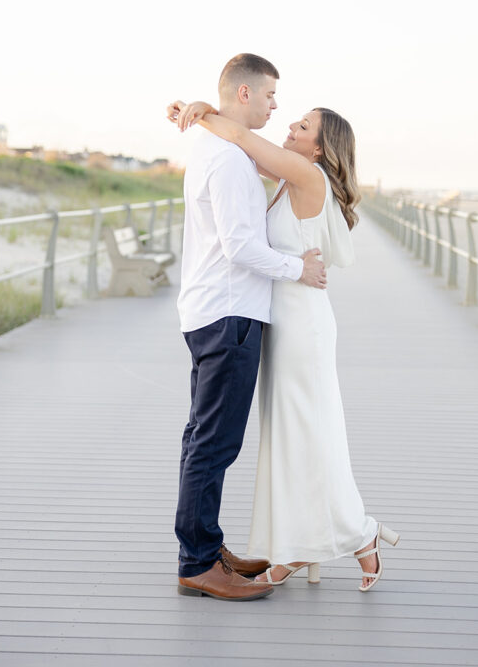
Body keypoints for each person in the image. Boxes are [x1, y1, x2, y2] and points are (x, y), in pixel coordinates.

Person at [169, 96, 400, 592]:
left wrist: (204, 114)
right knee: (288, 435)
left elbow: (243, 138)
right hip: (280, 322)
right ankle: (300, 544)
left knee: (308, 433)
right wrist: (207, 110)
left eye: (302, 126)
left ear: (319, 149)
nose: (290, 126)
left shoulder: (305, 176)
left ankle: (357, 533)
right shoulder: (287, 180)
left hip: (302, 326)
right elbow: (241, 146)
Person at [172, 53, 328, 602]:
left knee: (203, 438)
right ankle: (197, 562)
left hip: (210, 310)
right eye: (268, 96)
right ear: (243, 95)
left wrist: (202, 113)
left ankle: (207, 547)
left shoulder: (218, 147)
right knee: (214, 443)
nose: (274, 105)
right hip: (230, 314)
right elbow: (241, 247)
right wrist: (299, 269)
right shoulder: (232, 160)